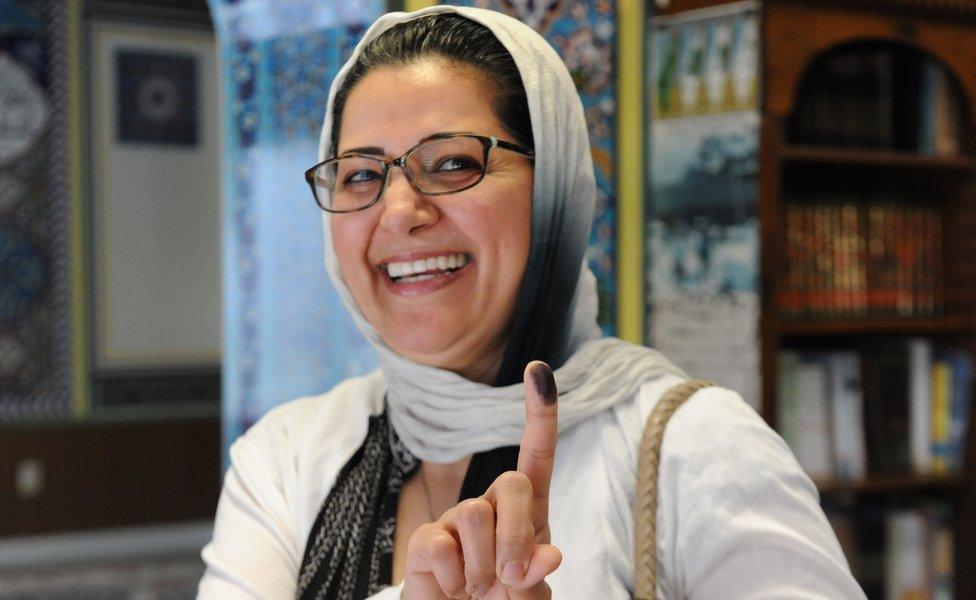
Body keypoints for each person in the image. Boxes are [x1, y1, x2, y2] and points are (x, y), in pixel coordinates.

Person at [197, 5, 867, 600]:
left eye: (454, 163)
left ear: (554, 191)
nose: (399, 212)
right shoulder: (287, 459)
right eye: (362, 174)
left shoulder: (690, 448)